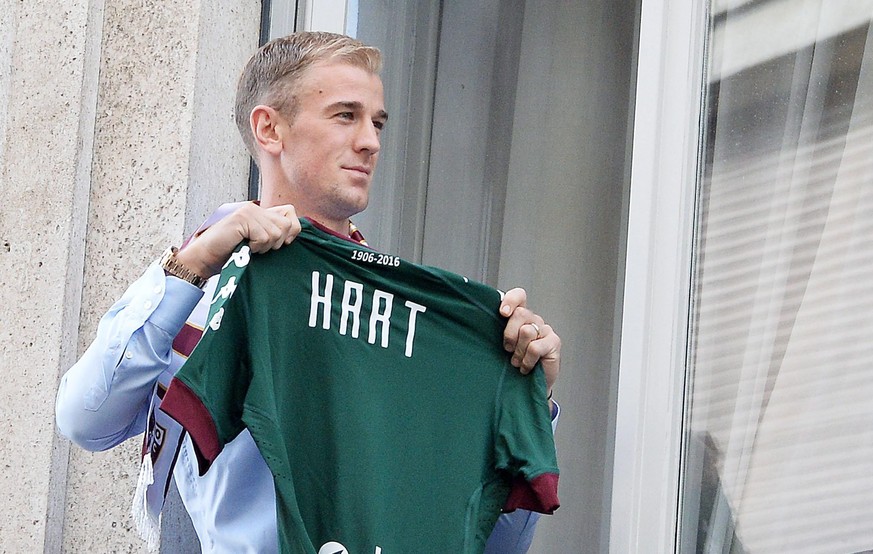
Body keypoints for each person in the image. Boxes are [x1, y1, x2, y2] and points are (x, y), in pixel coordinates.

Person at [56, 31, 561, 553]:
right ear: (269, 128)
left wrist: (527, 396)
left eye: (378, 122)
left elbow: (486, 542)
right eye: (346, 116)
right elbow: (86, 420)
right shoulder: (206, 285)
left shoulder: (405, 316)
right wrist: (193, 265)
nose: (371, 141)